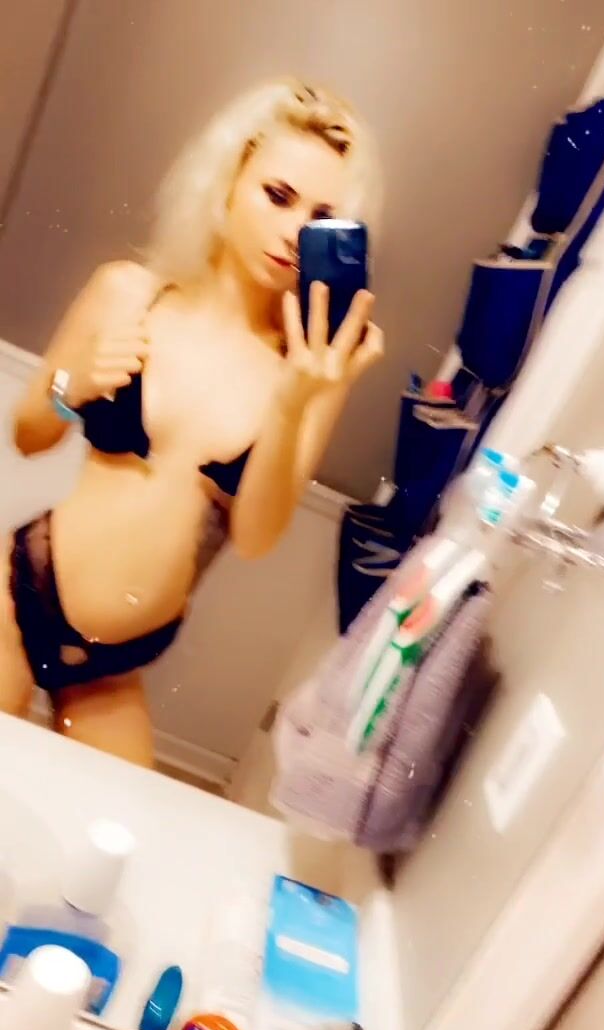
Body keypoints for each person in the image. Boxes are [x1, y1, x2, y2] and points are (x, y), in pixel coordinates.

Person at [0, 78, 384, 767]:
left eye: (321, 217)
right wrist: (71, 387)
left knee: (103, 825)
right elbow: (29, 436)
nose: (294, 232)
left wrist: (293, 401)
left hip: (113, 668)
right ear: (229, 181)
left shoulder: (314, 367)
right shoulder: (128, 292)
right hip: (14, 593)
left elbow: (257, 536)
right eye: (278, 195)